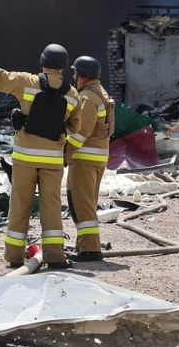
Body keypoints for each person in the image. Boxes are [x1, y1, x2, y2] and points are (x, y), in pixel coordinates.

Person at [0, 44, 80, 269]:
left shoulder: (27, 82)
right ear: (63, 67)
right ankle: (55, 257)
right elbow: (76, 129)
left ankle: (14, 256)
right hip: (53, 160)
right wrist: (66, 153)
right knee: (51, 207)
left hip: (25, 157)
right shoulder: (72, 95)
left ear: (43, 62)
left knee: (20, 204)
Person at [64, 55, 113, 263]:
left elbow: (80, 133)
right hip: (98, 158)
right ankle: (84, 245)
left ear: (83, 77)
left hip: (83, 159)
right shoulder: (101, 93)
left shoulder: (88, 98)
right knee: (87, 204)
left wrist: (64, 155)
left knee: (80, 204)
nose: (74, 77)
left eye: (75, 73)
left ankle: (90, 250)